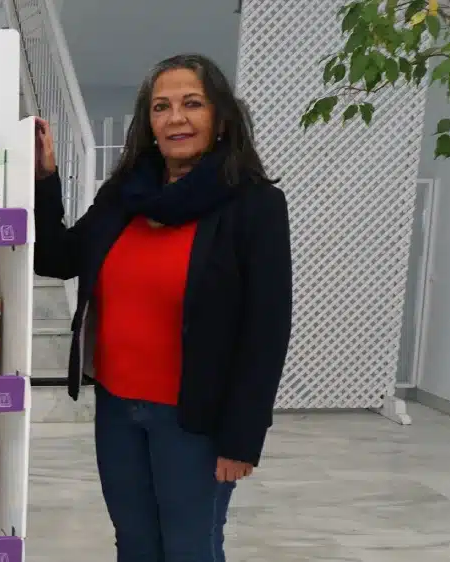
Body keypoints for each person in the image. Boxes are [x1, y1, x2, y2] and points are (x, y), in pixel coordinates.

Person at [33, 53, 292, 561]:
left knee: (190, 547)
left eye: (191, 104)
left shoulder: (253, 204)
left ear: (220, 118)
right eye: (161, 107)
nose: (176, 118)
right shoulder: (126, 195)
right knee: (134, 543)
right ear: (148, 123)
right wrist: (45, 181)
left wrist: (242, 437)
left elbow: (267, 329)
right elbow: (57, 257)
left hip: (195, 419)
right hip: (116, 408)